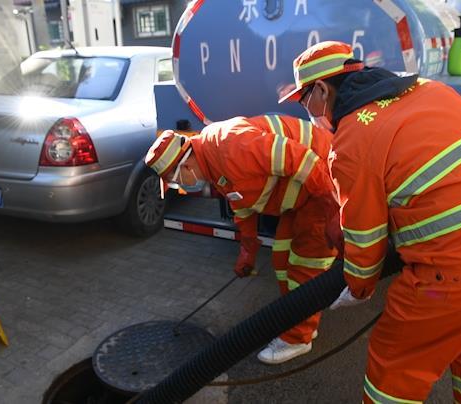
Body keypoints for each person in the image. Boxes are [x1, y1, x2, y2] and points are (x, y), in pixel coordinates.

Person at [280, 41, 461, 403]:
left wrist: (358, 289)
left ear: (321, 90)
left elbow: (364, 238)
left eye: (305, 101)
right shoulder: (429, 89)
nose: (309, 112)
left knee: (393, 368)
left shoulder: (352, 138)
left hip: (460, 270)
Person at [144, 115, 339, 364]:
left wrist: (334, 211)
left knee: (304, 266)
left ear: (185, 166)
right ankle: (300, 317)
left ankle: (299, 339)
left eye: (173, 180)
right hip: (304, 196)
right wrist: (247, 252)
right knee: (281, 259)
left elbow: (304, 160)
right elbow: (242, 206)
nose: (178, 186)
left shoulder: (232, 146)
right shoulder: (212, 162)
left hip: (325, 181)